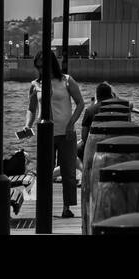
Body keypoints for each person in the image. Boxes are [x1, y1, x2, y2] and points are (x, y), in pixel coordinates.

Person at [23, 51, 84, 219]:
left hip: (66, 133)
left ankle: (67, 208)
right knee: (44, 172)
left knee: (69, 173)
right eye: (38, 66)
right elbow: (31, 108)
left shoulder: (66, 80)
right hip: (45, 134)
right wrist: (27, 125)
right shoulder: (35, 84)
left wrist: (72, 123)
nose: (41, 69)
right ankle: (44, 205)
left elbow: (80, 103)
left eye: (43, 65)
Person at [77, 81, 118, 156]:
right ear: (110, 95)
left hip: (95, 148)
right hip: (116, 146)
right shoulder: (120, 109)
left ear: (97, 95)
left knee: (77, 149)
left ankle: (83, 167)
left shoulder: (90, 110)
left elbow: (84, 136)